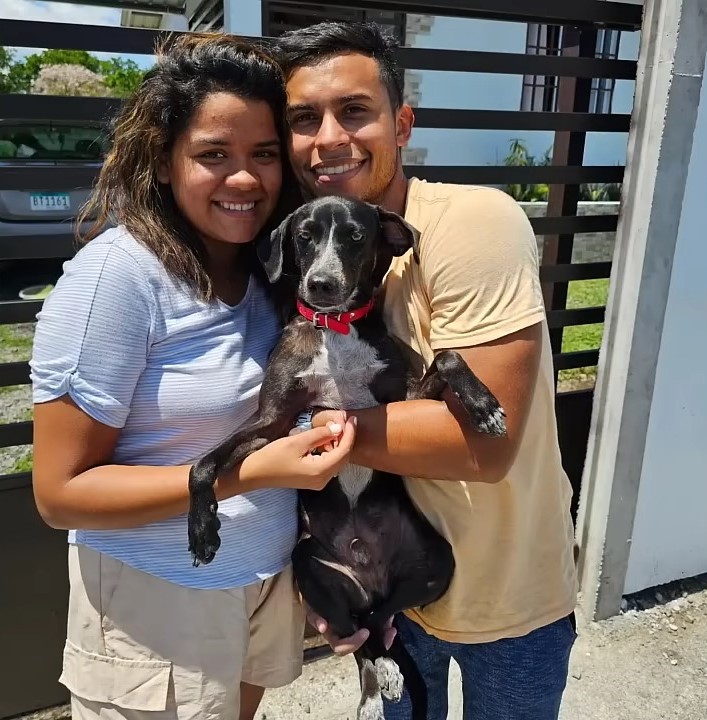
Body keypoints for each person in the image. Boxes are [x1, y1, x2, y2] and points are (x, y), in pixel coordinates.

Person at [29, 33, 356, 720]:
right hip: (159, 602)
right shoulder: (118, 278)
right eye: (214, 155)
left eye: (263, 154)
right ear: (164, 160)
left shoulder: (271, 267)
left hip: (259, 583)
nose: (245, 179)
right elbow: (60, 494)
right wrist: (250, 475)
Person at [274, 22, 578, 719]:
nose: (326, 137)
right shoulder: (311, 247)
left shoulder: (471, 223)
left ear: (400, 123)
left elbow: (481, 444)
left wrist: (304, 428)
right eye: (303, 120)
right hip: (395, 591)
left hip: (504, 605)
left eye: (353, 111)